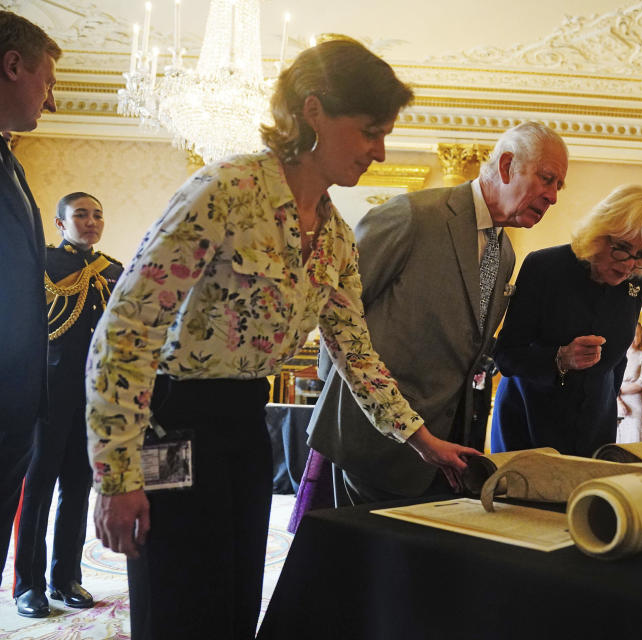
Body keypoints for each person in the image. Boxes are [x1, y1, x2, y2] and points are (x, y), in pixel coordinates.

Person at [85, 38, 476, 639]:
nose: (380, 150)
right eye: (371, 131)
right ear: (313, 111)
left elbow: (356, 353)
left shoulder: (338, 236)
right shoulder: (224, 190)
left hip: (246, 424)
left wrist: (421, 440)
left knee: (235, 604)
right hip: (171, 420)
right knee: (176, 604)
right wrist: (116, 476)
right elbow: (127, 330)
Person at [307, 121, 567, 504]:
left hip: (443, 456)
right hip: (371, 447)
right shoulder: (412, 216)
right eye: (547, 179)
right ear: (507, 165)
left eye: (558, 186)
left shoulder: (506, 254)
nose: (553, 197)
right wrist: (345, 408)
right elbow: (339, 313)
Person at [490, 184, 642, 456]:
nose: (628, 265)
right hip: (530, 416)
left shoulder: (636, 278)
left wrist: (610, 402)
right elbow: (506, 356)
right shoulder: (545, 267)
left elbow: (618, 358)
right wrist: (560, 358)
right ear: (599, 235)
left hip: (595, 423)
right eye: (621, 248)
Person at [13, 193, 122, 618]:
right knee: (36, 490)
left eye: (97, 214)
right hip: (46, 395)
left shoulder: (113, 271)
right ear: (61, 223)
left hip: (91, 398)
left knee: (77, 488)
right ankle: (28, 585)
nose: (91, 221)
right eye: (81, 214)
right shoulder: (40, 264)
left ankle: (65, 578)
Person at [0, 11, 59, 593]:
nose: (52, 99)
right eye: (47, 82)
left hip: (15, 408)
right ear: (11, 66)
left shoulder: (9, 161)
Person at [617, 322, 642, 443]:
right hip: (616, 403)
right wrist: (618, 400)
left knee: (635, 440)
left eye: (636, 334)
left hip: (635, 404)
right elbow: (611, 382)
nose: (633, 338)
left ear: (641, 337)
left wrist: (618, 390)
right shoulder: (617, 357)